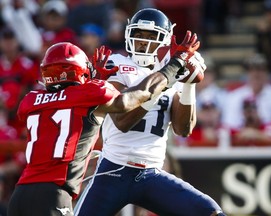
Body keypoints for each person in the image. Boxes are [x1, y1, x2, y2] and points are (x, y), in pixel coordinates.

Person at [7, 25, 199, 216]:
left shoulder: (30, 100)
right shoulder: (89, 93)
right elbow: (129, 101)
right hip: (55, 193)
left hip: (20, 194)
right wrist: (173, 66)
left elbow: (64, 102)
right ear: (80, 70)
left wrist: (94, 82)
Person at [74, 8, 225, 216]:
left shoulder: (171, 71)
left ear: (164, 40)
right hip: (113, 170)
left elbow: (183, 129)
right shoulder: (118, 64)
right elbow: (122, 121)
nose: (143, 41)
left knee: (210, 212)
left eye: (151, 36)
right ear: (129, 35)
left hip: (151, 174)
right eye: (138, 35)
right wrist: (165, 80)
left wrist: (189, 85)